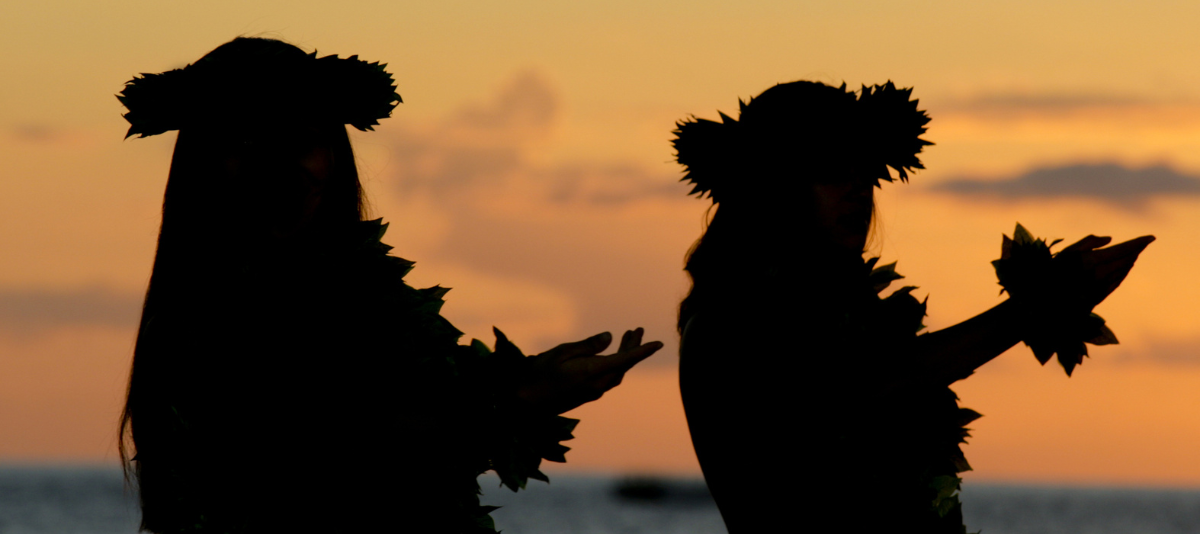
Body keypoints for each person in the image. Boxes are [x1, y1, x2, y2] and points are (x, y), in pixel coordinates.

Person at [116, 37, 662, 534]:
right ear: (202, 166)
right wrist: (519, 398)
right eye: (246, 141)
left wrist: (525, 385)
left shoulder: (365, 306)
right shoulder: (203, 326)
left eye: (301, 141)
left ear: (333, 159)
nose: (278, 168)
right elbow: (341, 455)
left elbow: (415, 438)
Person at [672, 80, 1153, 532]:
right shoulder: (727, 321)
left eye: (866, 171)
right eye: (832, 169)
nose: (859, 189)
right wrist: (1036, 305)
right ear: (769, 191)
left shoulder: (847, 321)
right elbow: (863, 389)